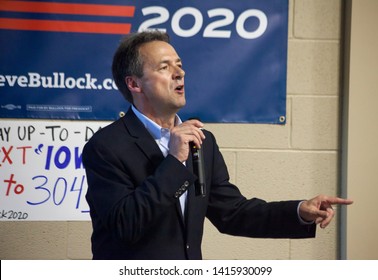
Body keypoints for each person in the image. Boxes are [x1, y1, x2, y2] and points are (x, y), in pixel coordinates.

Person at [82, 31, 353, 260]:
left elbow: (233, 213)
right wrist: (175, 161)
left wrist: (299, 211)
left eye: (179, 65)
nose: (180, 73)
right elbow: (125, 225)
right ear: (134, 83)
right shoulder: (106, 146)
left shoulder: (203, 142)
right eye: (165, 67)